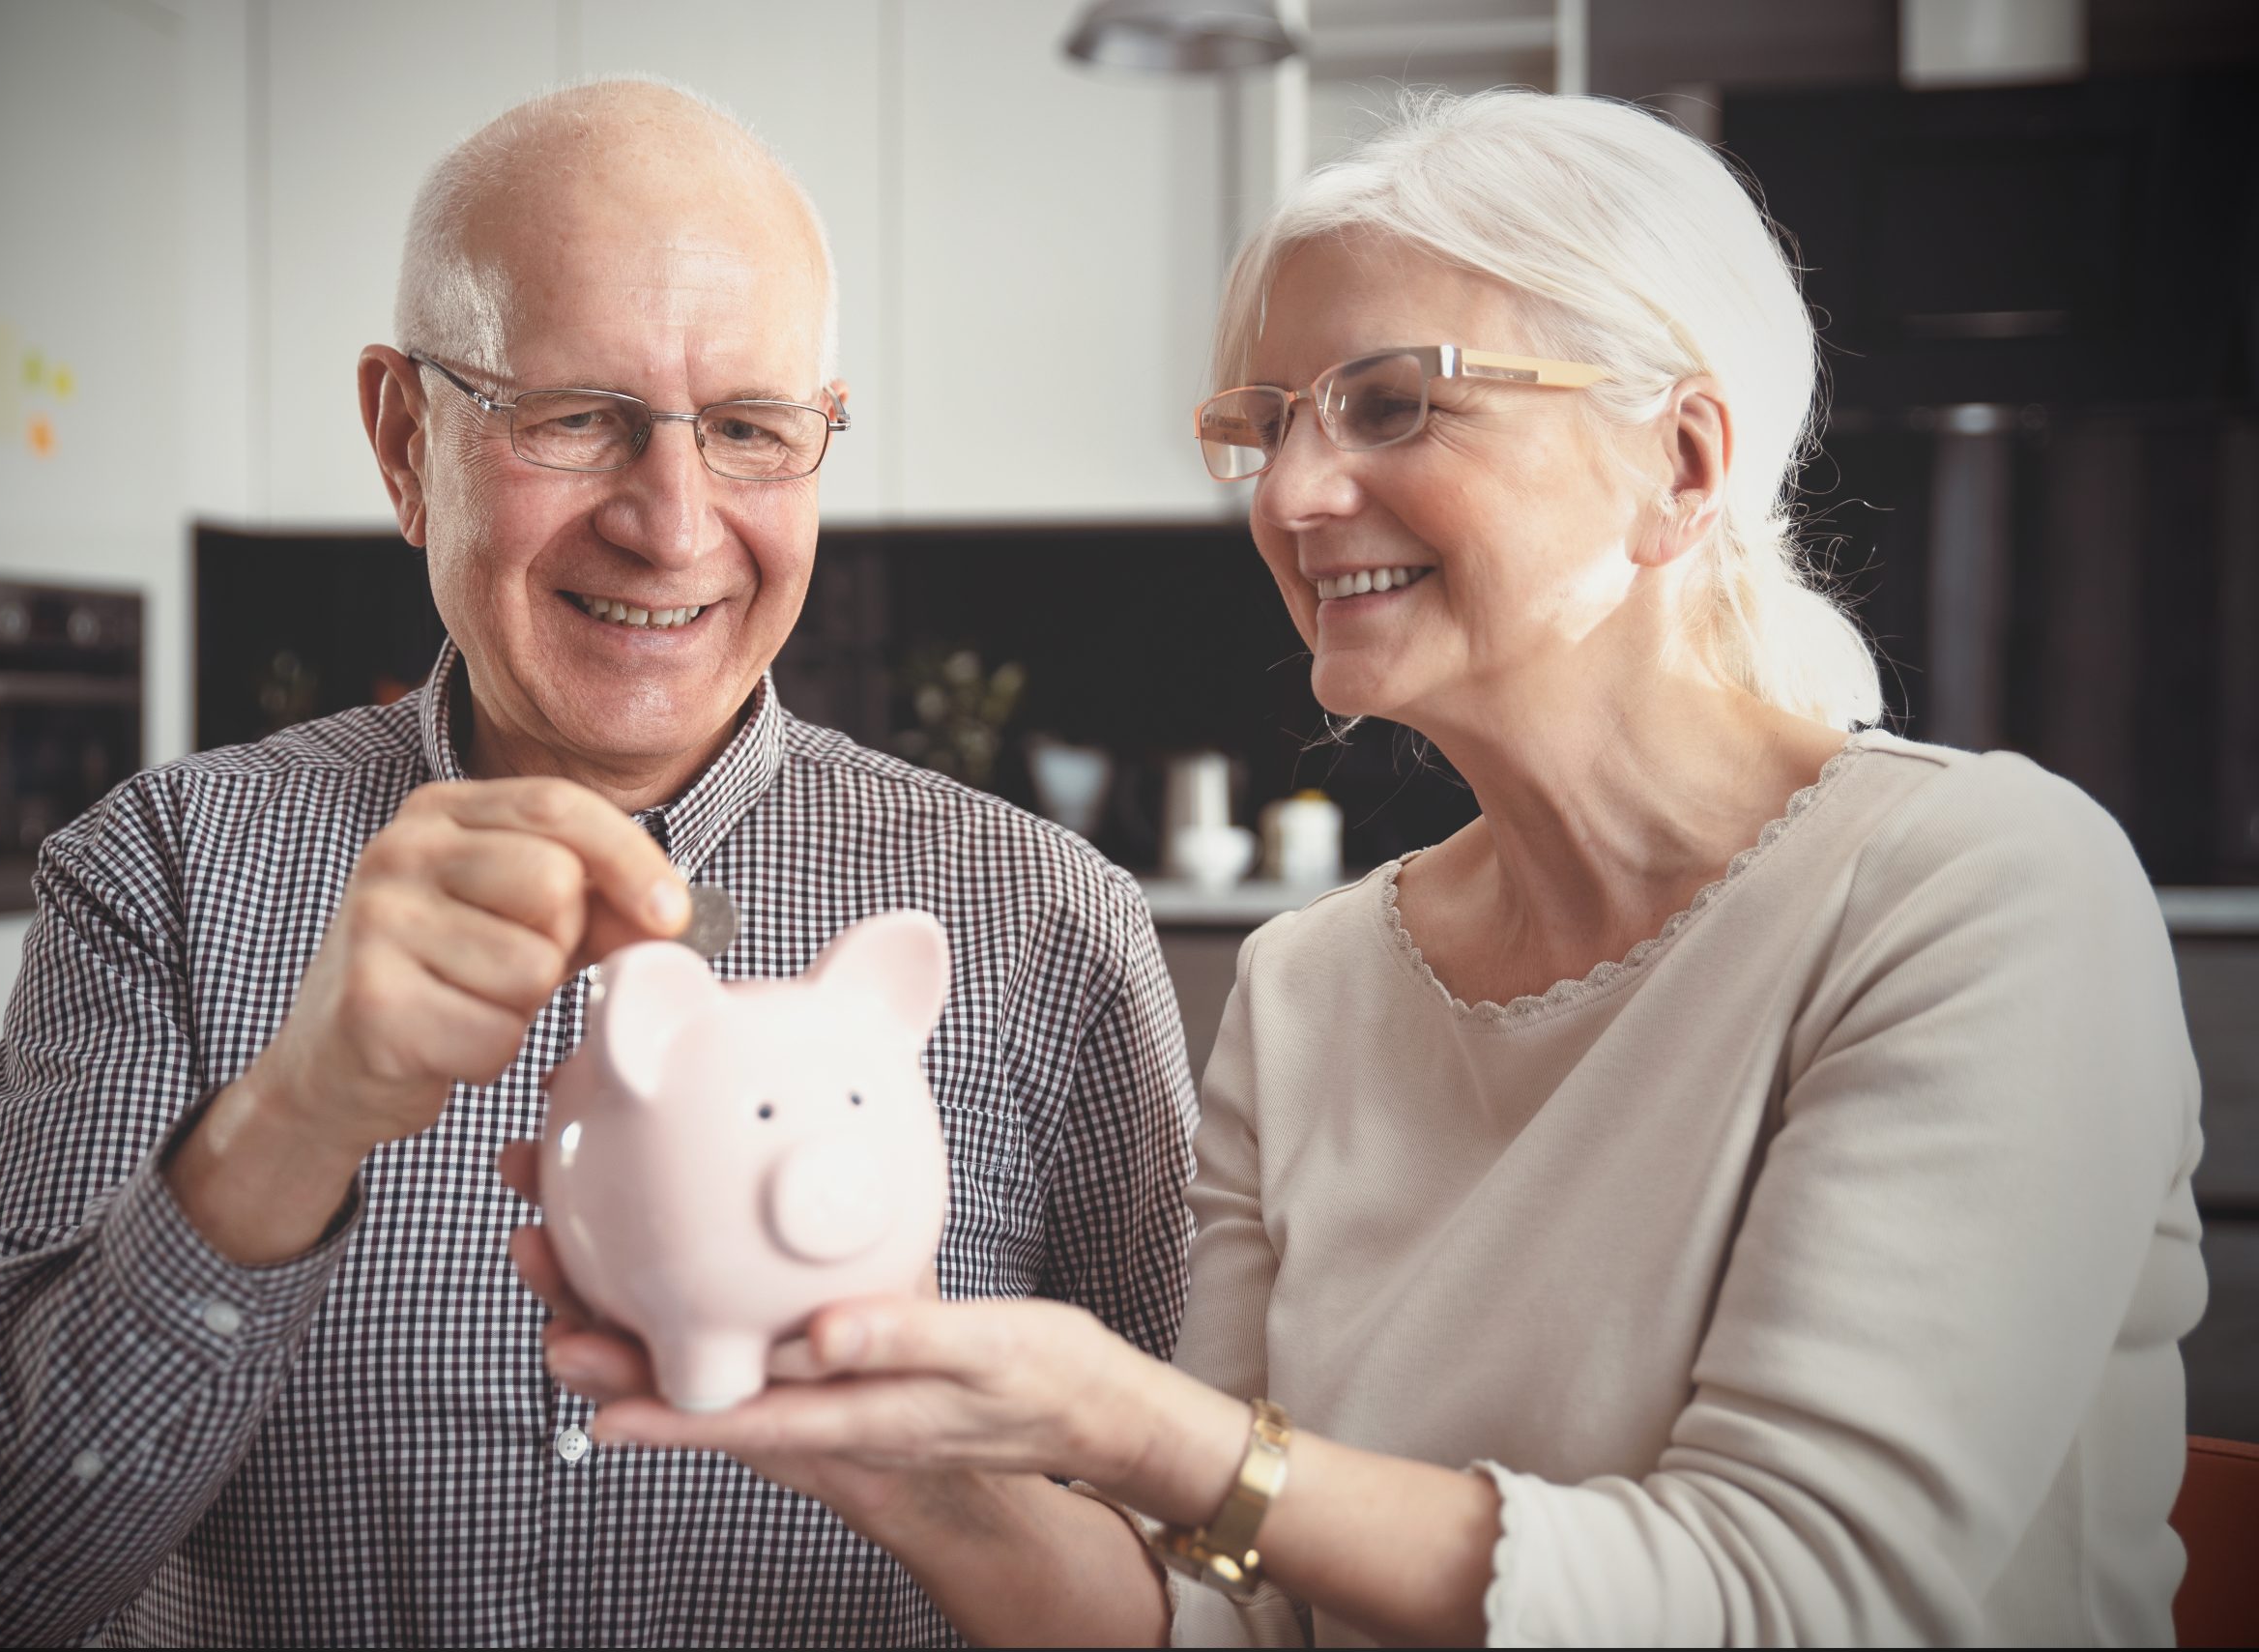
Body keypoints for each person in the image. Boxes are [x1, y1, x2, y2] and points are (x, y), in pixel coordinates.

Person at [541, 89, 2209, 1645]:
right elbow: (1229, 1614)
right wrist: (904, 1466)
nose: (1293, 490)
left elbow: (1796, 1592)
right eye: (1264, 422)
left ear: (1682, 466)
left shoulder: (1977, 892)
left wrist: (1141, 1425)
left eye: (1394, 400)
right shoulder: (1316, 979)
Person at [0, 79, 1196, 1646]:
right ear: (401, 436)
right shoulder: (161, 872)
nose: (673, 522)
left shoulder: (1047, 926)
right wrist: (293, 1122)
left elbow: (1196, 1573)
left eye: (755, 431)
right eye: (575, 417)